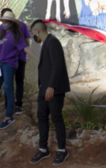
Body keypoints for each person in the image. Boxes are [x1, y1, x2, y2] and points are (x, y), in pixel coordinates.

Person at [0, 11, 36, 130]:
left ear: (12, 23)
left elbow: (25, 48)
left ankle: (9, 116)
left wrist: (38, 57)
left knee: (8, 88)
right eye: (3, 21)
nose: (4, 23)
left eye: (7, 21)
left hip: (10, 64)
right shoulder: (2, 33)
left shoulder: (16, 36)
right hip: (1, 63)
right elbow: (1, 51)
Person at [29, 20, 71, 165]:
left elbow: (57, 65)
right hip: (44, 89)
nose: (34, 36)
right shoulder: (45, 44)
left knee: (56, 117)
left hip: (54, 88)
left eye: (33, 33)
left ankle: (62, 150)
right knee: (41, 116)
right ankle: (43, 149)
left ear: (38, 31)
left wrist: (51, 86)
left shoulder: (53, 42)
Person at [0, 8, 31, 115]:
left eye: (5, 20)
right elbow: (27, 43)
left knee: (10, 82)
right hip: (16, 58)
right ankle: (17, 105)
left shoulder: (17, 27)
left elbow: (0, 43)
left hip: (13, 58)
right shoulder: (22, 26)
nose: (4, 22)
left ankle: (9, 106)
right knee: (16, 81)